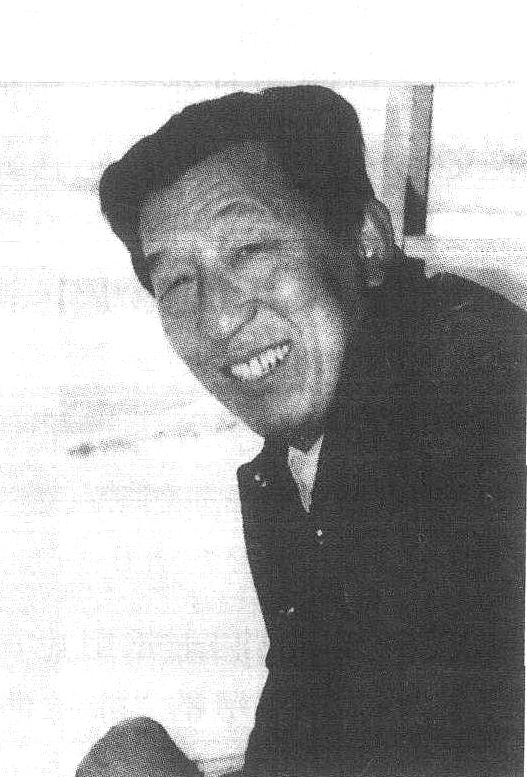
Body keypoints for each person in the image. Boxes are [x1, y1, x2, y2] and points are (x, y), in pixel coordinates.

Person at [77, 86, 525, 777]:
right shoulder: (294, 464)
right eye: (178, 283)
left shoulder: (466, 385)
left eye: (251, 249)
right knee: (127, 756)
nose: (219, 317)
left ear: (366, 242)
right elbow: (309, 718)